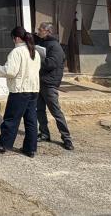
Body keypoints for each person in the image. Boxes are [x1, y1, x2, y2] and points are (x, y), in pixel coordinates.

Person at [0, 26, 41, 158]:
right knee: (31, 120)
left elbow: (10, 71)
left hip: (19, 90)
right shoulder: (34, 51)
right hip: (33, 89)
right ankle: (30, 148)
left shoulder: (16, 52)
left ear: (16, 38)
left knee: (11, 119)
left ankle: (3, 144)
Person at [35, 22, 74, 150]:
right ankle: (44, 133)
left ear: (48, 31)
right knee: (39, 110)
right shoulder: (43, 42)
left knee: (56, 111)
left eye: (40, 29)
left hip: (50, 83)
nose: (38, 31)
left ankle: (66, 138)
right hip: (41, 81)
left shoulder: (55, 46)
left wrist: (37, 60)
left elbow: (51, 63)